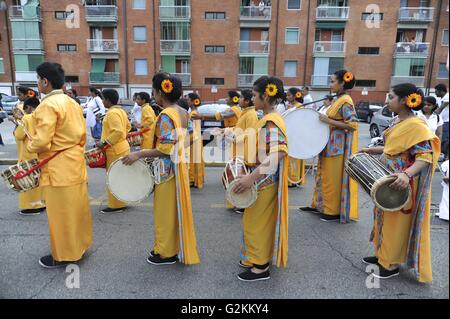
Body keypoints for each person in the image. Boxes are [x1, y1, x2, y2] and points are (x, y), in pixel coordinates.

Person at [360, 83, 440, 282]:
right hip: (386, 179)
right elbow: (394, 148)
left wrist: (406, 175)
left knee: (396, 223)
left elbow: (425, 156)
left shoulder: (417, 125)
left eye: (391, 97)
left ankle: (391, 263)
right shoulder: (397, 120)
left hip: (401, 186)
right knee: (383, 218)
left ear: (405, 100)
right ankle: (382, 255)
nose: (387, 101)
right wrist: (375, 150)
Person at [122, 73, 200, 266]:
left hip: (167, 171)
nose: (153, 95)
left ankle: (166, 253)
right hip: (180, 166)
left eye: (154, 91)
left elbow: (165, 148)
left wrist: (138, 155)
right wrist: (179, 150)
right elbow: (193, 137)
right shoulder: (183, 112)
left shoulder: (166, 115)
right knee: (174, 210)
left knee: (165, 213)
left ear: (159, 93)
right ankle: (171, 248)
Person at [28, 62, 92, 268]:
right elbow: (82, 134)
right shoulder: (71, 102)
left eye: (38, 79)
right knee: (77, 209)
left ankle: (65, 254)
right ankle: (80, 246)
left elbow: (41, 142)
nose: (37, 83)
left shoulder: (47, 105)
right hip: (74, 161)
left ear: (45, 81)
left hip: (57, 166)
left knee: (61, 213)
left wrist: (30, 143)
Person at [232, 76, 289, 282]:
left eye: (255, 95)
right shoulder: (267, 117)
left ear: (266, 96)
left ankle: (261, 267)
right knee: (254, 221)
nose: (252, 98)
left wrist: (250, 178)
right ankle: (254, 258)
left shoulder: (271, 120)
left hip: (263, 180)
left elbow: (278, 153)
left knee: (258, 223)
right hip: (260, 178)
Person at [300, 70, 359, 223]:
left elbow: (352, 124)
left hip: (336, 146)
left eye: (333, 81)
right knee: (322, 175)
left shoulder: (346, 101)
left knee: (331, 179)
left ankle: (332, 211)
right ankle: (319, 205)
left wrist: (328, 121)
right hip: (327, 144)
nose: (330, 84)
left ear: (342, 83)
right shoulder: (338, 99)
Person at [97, 89, 131, 214]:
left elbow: (118, 131)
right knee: (121, 176)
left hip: (115, 149)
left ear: (107, 100)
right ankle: (123, 201)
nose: (102, 101)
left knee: (114, 177)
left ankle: (116, 205)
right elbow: (127, 127)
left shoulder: (112, 113)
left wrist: (104, 142)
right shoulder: (121, 111)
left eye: (103, 98)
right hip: (122, 147)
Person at [14, 97, 46, 216]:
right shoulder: (43, 116)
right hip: (41, 152)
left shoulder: (27, 118)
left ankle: (31, 206)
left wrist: (18, 120)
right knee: (40, 180)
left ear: (28, 107)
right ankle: (42, 203)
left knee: (28, 181)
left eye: (25, 109)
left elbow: (19, 135)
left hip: (28, 153)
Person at [231, 89, 259, 214]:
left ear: (247, 101)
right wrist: (227, 131)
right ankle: (240, 202)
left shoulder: (251, 114)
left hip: (245, 151)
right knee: (239, 177)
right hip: (240, 149)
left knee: (243, 178)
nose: (239, 100)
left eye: (241, 98)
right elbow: (240, 129)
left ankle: (244, 203)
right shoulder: (245, 113)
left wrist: (235, 138)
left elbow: (250, 133)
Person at [285, 87, 306, 187]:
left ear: (295, 96)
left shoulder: (299, 106)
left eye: (289, 95)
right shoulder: (291, 106)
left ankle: (294, 180)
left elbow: (300, 121)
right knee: (290, 157)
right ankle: (290, 179)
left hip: (296, 136)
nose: (287, 97)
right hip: (290, 135)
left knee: (295, 158)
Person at [186, 93, 205, 189]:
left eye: (188, 99)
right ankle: (195, 179)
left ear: (193, 102)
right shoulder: (195, 112)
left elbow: (190, 128)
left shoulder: (193, 113)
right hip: (196, 138)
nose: (187, 101)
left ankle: (193, 180)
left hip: (194, 139)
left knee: (193, 159)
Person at [435, 84, 449, 161]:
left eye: (436, 91)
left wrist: (433, 114)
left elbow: (440, 109)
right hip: (442, 121)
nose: (435, 93)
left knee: (445, 139)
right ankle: (444, 155)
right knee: (442, 138)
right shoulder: (440, 98)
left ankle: (445, 156)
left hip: (447, 121)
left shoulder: (447, 97)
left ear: (441, 91)